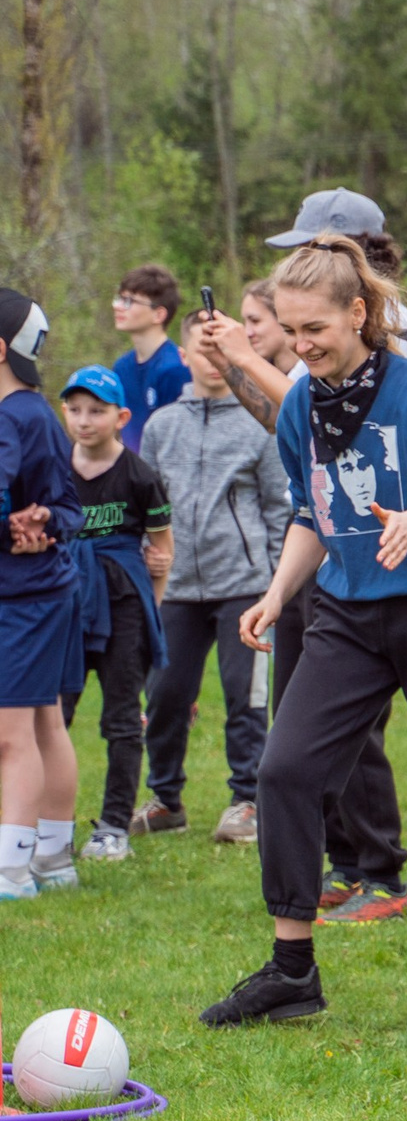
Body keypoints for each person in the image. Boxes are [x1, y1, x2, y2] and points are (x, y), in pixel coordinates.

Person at [205, 236, 407, 1029]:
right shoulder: (302, 402)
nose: (300, 346)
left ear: (359, 313)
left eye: (316, 329)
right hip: (345, 610)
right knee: (286, 770)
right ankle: (291, 968)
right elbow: (313, 512)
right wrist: (276, 595)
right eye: (289, 330)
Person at [203, 281, 407, 919]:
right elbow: (285, 427)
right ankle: (344, 863)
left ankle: (382, 874)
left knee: (356, 732)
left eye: (261, 320)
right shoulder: (303, 369)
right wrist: (234, 362)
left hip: (371, 570)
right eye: (269, 322)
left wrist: (242, 358)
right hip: (312, 564)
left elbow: (301, 412)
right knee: (302, 731)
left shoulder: (376, 351)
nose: (277, 334)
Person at [136, 310, 291, 850]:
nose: (210, 361)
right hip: (175, 589)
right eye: (200, 352)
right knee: (165, 697)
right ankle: (165, 799)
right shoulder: (160, 427)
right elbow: (147, 508)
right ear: (183, 356)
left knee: (245, 701)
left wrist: (274, 584)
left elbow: (278, 508)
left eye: (218, 350)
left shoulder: (261, 421)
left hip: (243, 587)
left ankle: (245, 801)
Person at [54, 367, 169, 862]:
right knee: (52, 715)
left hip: (123, 608)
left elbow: (161, 553)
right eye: (75, 409)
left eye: (97, 411)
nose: (85, 420)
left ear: (121, 417)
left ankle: (114, 827)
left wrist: (151, 615)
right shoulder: (54, 468)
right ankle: (45, 826)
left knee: (122, 719)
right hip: (64, 607)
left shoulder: (141, 477)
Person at [0, 290, 88, 902]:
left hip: (23, 598)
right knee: (44, 721)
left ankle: (10, 870)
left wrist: (30, 526)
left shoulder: (12, 416)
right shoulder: (33, 411)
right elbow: (70, 510)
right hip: (46, 590)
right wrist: (45, 525)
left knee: (11, 734)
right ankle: (55, 859)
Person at [267, 189, 407, 366]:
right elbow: (300, 391)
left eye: (312, 249)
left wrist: (246, 358)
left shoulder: (389, 318)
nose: (304, 261)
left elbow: (290, 392)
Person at [109, 265, 193, 445]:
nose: (117, 307)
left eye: (129, 301)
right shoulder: (121, 367)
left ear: (159, 314)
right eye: (119, 299)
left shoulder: (175, 369)